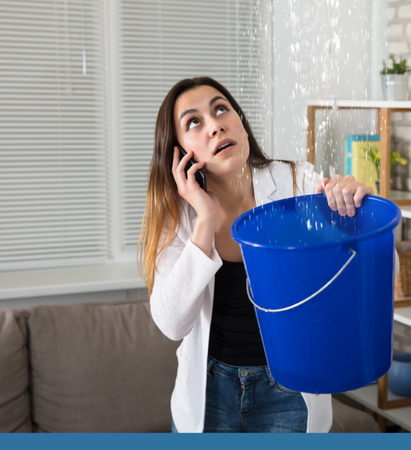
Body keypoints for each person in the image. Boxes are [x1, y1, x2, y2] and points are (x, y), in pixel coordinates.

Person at [138, 77, 374, 433]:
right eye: (194, 122)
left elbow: (380, 272)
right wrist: (205, 220)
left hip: (290, 388)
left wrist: (359, 217)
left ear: (243, 128)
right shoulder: (178, 216)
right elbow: (172, 325)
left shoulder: (299, 184)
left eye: (221, 110)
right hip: (209, 391)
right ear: (179, 154)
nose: (215, 124)